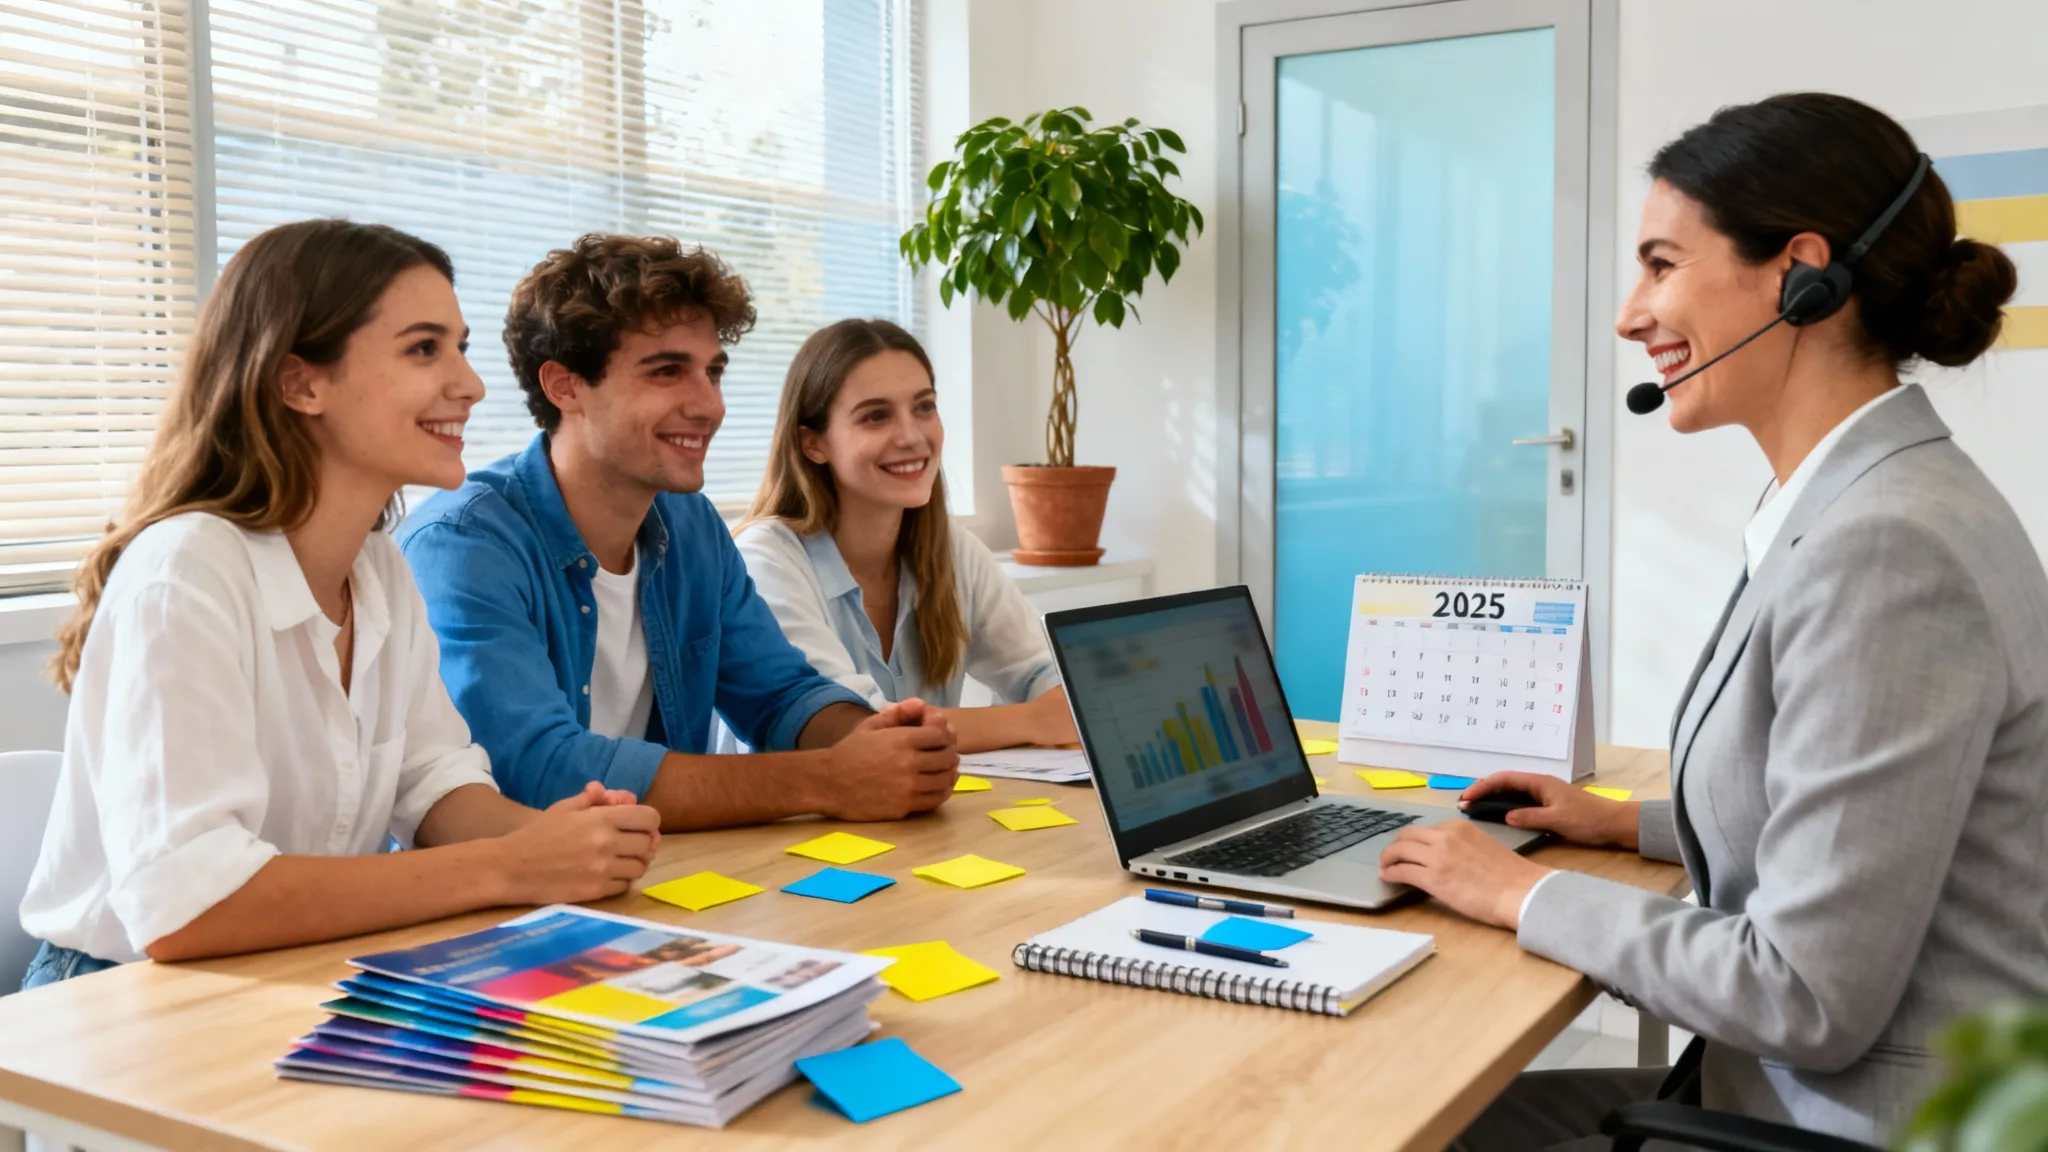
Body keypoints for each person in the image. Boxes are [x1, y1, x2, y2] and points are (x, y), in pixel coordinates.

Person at [1378, 92, 2048, 1148]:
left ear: (1799, 274)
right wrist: (1618, 823)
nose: (1627, 314)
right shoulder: (1860, 496)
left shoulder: (1886, 546)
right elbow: (1861, 809)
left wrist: (1521, 893)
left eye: (1659, 264)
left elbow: (1802, 996)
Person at [20, 220, 662, 989]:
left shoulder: (377, 568)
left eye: (459, 346)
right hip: (113, 999)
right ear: (301, 383)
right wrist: (508, 866)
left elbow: (433, 780)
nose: (472, 383)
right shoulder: (186, 572)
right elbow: (188, 905)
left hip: (285, 971)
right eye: (425, 348)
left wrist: (566, 844)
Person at [397, 235, 959, 833]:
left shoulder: (690, 524)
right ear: (565, 386)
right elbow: (536, 768)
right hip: (506, 904)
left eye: (712, 371)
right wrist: (828, 779)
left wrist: (878, 744)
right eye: (667, 371)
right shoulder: (462, 544)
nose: (709, 405)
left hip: (656, 875)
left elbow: (780, 693)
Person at [732, 319, 1075, 753]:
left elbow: (1047, 680)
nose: (912, 437)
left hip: (917, 817)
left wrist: (1052, 708)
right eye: (876, 416)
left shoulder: (952, 550)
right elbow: (854, 731)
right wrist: (1031, 720)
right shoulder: (763, 562)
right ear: (813, 443)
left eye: (924, 407)